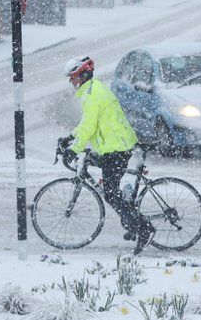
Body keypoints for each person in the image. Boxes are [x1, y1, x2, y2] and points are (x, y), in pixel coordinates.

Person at [60, 55, 155, 255]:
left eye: (73, 77)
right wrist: (70, 138)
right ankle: (131, 219)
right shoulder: (93, 90)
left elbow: (88, 126)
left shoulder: (93, 94)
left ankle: (144, 229)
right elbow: (86, 124)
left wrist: (74, 149)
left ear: (84, 75)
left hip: (116, 148)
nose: (71, 81)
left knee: (111, 195)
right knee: (112, 189)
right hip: (112, 147)